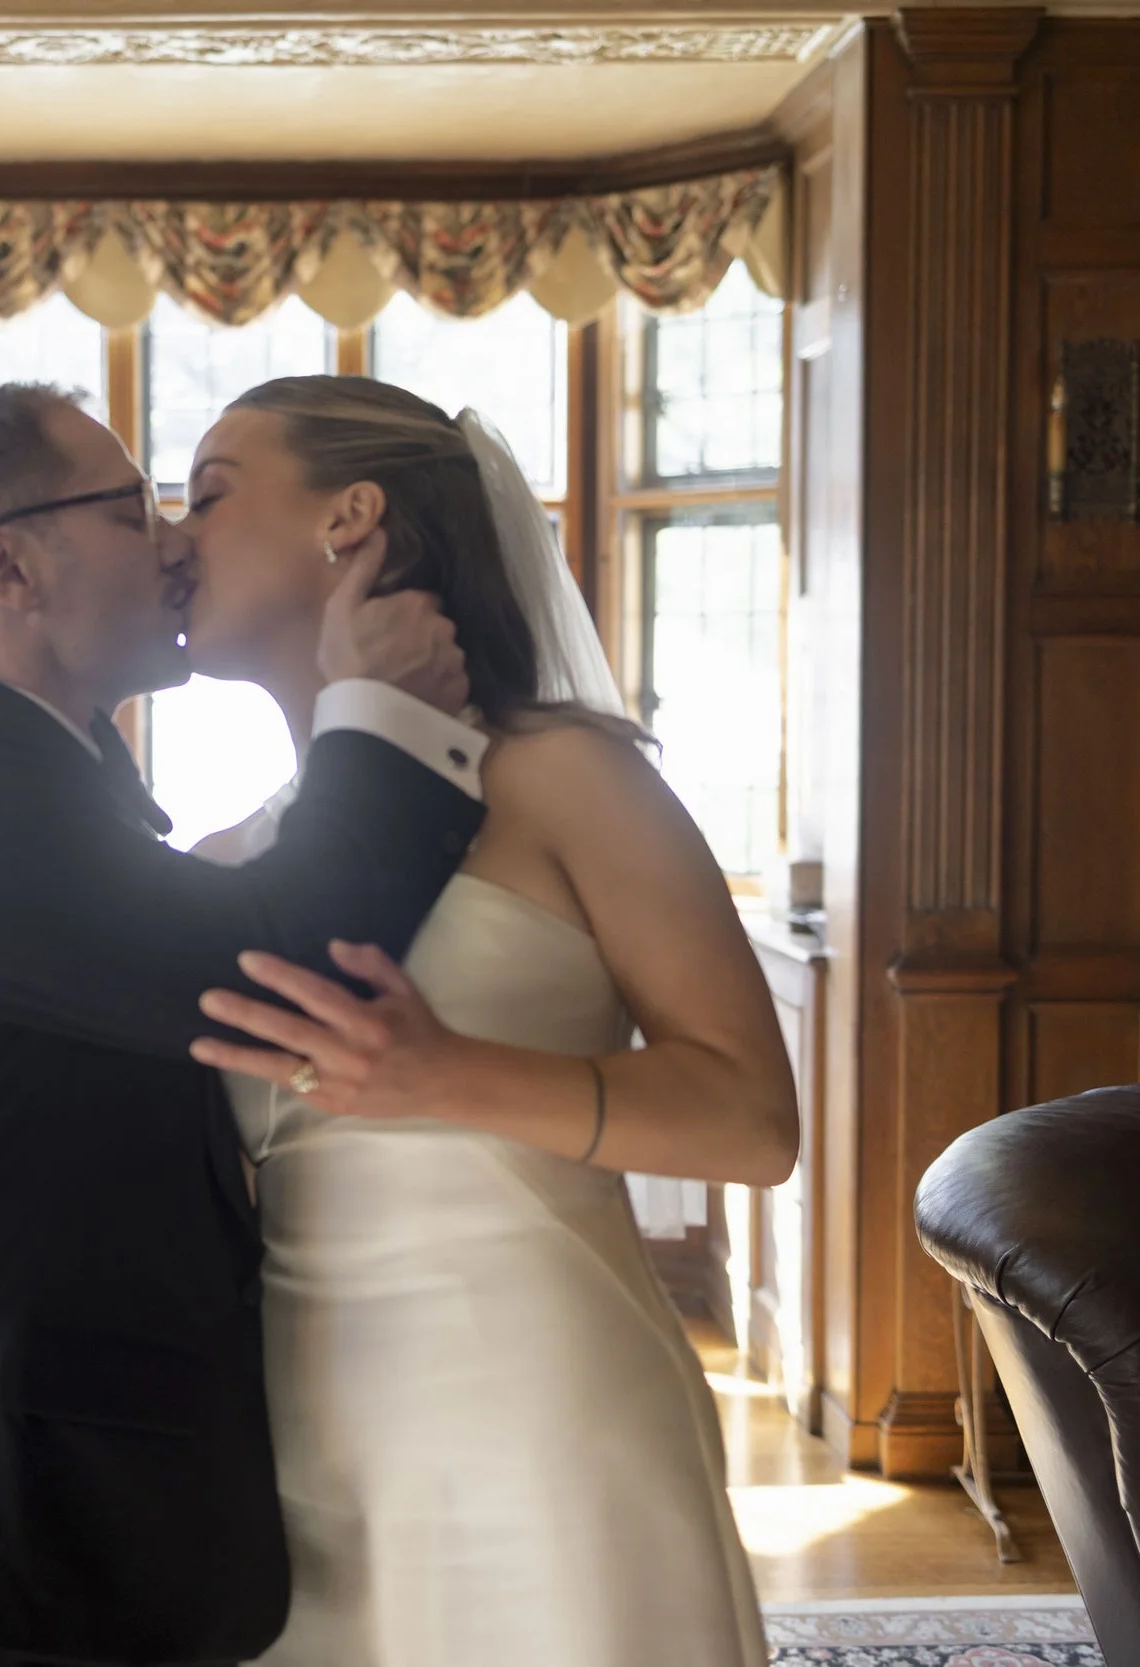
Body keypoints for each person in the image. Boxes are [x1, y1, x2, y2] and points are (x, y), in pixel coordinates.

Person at [0, 383, 494, 1667]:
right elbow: (280, 974)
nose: (171, 541)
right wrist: (386, 712)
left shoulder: (45, 774)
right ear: (5, 563)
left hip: (59, 1537)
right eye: (133, 503)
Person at [172, 376, 800, 1667]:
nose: (174, 536)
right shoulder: (235, 852)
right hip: (296, 1436)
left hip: (536, 1404)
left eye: (210, 491)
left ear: (351, 517)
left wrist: (446, 1072)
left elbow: (751, 1118)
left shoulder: (565, 772)